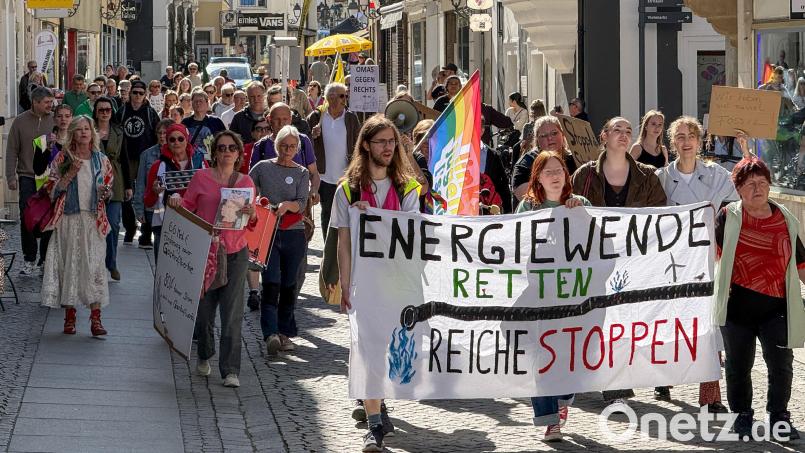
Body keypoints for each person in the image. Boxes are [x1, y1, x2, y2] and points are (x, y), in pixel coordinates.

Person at [332, 115, 421, 451]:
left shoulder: (408, 188)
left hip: (398, 283)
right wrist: (345, 282)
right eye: (381, 141)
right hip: (364, 285)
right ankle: (374, 426)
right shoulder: (348, 190)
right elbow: (343, 241)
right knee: (367, 351)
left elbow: (413, 236)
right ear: (366, 145)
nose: (388, 148)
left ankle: (380, 404)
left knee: (389, 350)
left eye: (392, 142)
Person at [571, 117, 666, 412]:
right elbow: (572, 219)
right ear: (604, 136)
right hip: (594, 261)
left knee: (624, 322)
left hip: (633, 263)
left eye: (627, 131)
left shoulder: (647, 176)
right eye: (617, 130)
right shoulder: (585, 175)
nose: (623, 135)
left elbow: (660, 217)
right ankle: (594, 376)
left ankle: (617, 383)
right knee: (596, 321)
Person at [713, 157, 804, 441]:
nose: (758, 189)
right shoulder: (728, 216)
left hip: (777, 307)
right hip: (736, 307)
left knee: (781, 365)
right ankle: (741, 416)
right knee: (738, 366)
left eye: (763, 183)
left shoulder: (786, 218)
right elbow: (711, 254)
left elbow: (801, 264)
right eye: (750, 184)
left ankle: (779, 416)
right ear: (739, 189)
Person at [655, 116, 737, 409]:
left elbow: (741, 201)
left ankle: (710, 394)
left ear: (700, 140)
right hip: (672, 264)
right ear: (672, 142)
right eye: (680, 136)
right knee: (672, 321)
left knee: (710, 325)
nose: (686, 141)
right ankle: (663, 375)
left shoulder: (717, 175)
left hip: (707, 260)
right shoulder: (661, 178)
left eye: (691, 135)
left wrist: (745, 148)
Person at [167, 131, 256, 388]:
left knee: (232, 312)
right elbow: (187, 206)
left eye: (231, 148)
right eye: (221, 147)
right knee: (205, 311)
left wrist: (251, 214)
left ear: (238, 153)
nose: (226, 152)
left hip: (235, 251)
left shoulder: (245, 181)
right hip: (204, 251)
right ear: (214, 152)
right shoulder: (201, 177)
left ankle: (230, 370)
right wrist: (175, 200)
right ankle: (205, 353)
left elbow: (252, 223)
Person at [516, 151, 590, 442]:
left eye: (560, 170)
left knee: (570, 355)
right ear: (538, 178)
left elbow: (597, 243)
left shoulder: (580, 204)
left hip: (573, 296)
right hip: (538, 294)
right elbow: (516, 242)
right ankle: (550, 421)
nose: (556, 175)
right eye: (548, 172)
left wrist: (581, 215)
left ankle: (564, 397)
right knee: (539, 357)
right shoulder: (528, 207)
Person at [41, 116, 115, 336]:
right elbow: (51, 190)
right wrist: (70, 173)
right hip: (68, 220)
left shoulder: (101, 160)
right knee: (69, 267)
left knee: (94, 268)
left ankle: (96, 319)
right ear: (72, 133)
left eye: (87, 129)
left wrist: (106, 193)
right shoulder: (63, 158)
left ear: (92, 133)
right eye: (79, 129)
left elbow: (109, 189)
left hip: (93, 220)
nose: (84, 133)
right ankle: (70, 317)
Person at [249, 125, 310, 354]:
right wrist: (258, 204)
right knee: (272, 282)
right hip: (268, 233)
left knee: (289, 285)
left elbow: (302, 203)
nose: (288, 150)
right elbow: (249, 189)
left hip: (293, 233)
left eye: (292, 147)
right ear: (277, 146)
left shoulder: (302, 173)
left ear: (297, 148)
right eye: (284, 146)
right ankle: (270, 333)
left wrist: (288, 205)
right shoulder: (262, 167)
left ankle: (285, 333)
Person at [6, 86, 55, 275]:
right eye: (47, 102)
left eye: (51, 102)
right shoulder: (20, 122)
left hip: (50, 178)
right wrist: (11, 176)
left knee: (48, 219)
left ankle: (44, 259)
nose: (51, 105)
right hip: (27, 176)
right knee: (27, 219)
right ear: (35, 102)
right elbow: (12, 150)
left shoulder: (55, 120)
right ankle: (29, 259)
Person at [144, 123, 207, 259]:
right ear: (167, 142)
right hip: (165, 226)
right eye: (172, 139)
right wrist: (155, 192)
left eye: (180, 139)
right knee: (164, 271)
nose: (176, 142)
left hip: (194, 225)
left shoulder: (200, 163)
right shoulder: (158, 166)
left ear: (187, 139)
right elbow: (148, 202)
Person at [307, 82, 360, 240]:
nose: (345, 99)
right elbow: (304, 142)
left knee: (347, 213)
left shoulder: (351, 118)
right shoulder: (317, 117)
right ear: (331, 98)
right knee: (328, 213)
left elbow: (358, 142)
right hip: (324, 177)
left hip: (346, 176)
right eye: (342, 96)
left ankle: (345, 245)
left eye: (345, 96)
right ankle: (328, 246)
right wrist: (312, 134)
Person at [114, 79, 160, 248]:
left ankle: (146, 231)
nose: (138, 96)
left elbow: (157, 133)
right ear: (130, 93)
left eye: (141, 93)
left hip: (146, 157)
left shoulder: (150, 112)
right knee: (126, 194)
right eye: (135, 92)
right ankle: (129, 227)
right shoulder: (122, 111)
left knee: (145, 193)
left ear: (145, 95)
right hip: (126, 158)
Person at [94, 96, 132, 281]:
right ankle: (95, 264)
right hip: (93, 178)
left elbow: (125, 158)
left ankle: (111, 262)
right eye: (101, 110)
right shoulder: (88, 129)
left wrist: (128, 186)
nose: (104, 113)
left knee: (114, 224)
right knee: (94, 225)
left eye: (107, 110)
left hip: (115, 179)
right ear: (96, 112)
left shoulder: (118, 130)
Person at [512, 116, 579, 201]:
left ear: (563, 135)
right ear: (537, 140)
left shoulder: (575, 159)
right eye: (543, 136)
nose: (550, 138)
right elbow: (521, 193)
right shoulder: (527, 162)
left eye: (554, 133)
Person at [133, 118, 173, 260]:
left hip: (174, 207)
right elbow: (140, 183)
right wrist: (138, 208)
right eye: (159, 133)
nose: (162, 136)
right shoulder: (147, 154)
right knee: (159, 241)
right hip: (153, 207)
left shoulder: (181, 155)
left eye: (165, 133)